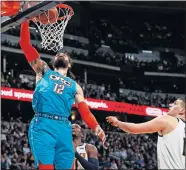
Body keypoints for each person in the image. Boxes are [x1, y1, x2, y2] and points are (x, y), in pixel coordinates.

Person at [19, 21, 106, 170]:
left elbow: (84, 110)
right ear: (53, 62)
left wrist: (95, 126)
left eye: (64, 55)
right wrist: (25, 20)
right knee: (46, 167)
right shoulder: (43, 70)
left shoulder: (75, 86)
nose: (60, 54)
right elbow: (25, 45)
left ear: (69, 64)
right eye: (58, 54)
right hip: (43, 123)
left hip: (64, 127)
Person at [106, 99, 185, 169]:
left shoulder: (168, 120)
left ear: (182, 110)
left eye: (175, 104)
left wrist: (117, 122)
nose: (170, 104)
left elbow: (134, 129)